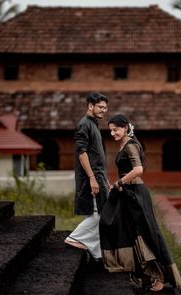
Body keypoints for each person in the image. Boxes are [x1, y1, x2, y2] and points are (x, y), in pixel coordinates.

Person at [99, 114, 181, 292]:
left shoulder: (130, 145)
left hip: (136, 195)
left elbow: (138, 170)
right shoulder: (125, 144)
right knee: (131, 234)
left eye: (116, 129)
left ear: (125, 128)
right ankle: (142, 274)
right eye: (111, 130)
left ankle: (160, 276)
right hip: (128, 194)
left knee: (146, 234)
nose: (113, 133)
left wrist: (120, 183)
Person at [64, 92, 109, 260]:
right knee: (100, 213)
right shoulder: (84, 124)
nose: (103, 110)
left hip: (99, 175)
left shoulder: (93, 124)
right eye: (100, 107)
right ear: (90, 105)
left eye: (105, 108)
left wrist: (105, 179)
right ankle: (75, 237)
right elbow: (81, 154)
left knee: (100, 212)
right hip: (92, 177)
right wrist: (92, 178)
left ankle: (95, 253)